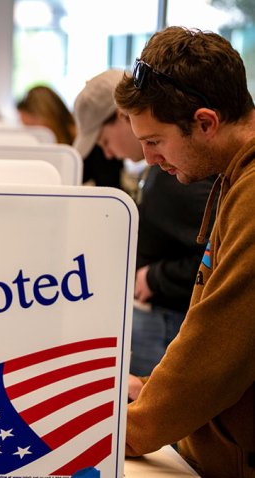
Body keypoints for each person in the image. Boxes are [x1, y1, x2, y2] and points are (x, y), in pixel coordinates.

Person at [113, 27, 255, 476]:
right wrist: (151, 389)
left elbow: (222, 343)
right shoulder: (236, 178)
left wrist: (128, 429)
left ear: (206, 122)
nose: (149, 159)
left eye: (154, 141)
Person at [73, 69, 214, 377]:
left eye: (104, 141)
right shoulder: (164, 171)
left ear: (123, 117)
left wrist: (154, 278)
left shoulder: (181, 175)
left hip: (168, 318)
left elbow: (219, 253)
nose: (108, 153)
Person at [17, 85, 125, 189]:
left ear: (49, 117)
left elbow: (110, 192)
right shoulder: (50, 152)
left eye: (34, 129)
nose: (33, 136)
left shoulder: (99, 146)